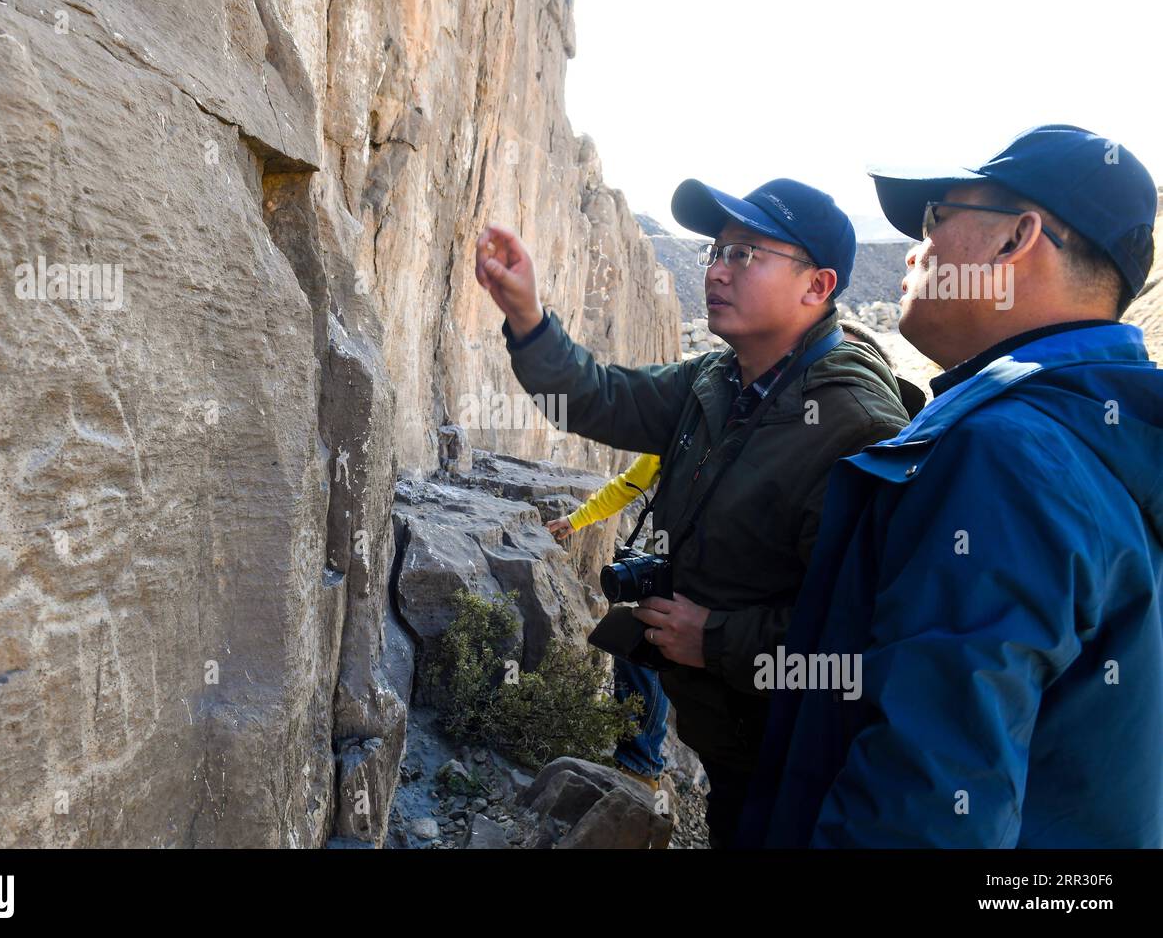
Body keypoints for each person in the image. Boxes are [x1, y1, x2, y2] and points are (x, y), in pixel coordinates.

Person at [738, 124, 1162, 847]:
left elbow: (927, 810)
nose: (914, 249)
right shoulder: (1103, 436)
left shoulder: (1006, 455)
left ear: (1014, 240)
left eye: (936, 218)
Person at [475, 177, 911, 846]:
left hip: (799, 755)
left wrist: (717, 639)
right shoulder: (718, 378)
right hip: (727, 736)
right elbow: (597, 399)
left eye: (746, 255)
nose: (717, 269)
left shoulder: (850, 425)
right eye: (717, 250)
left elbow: (872, 635)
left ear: (816, 287)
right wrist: (530, 319)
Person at [546, 454, 670, 790]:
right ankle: (638, 765)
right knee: (639, 650)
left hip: (722, 578)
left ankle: (643, 767)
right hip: (670, 564)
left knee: (657, 656)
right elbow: (629, 484)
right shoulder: (685, 421)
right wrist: (577, 519)